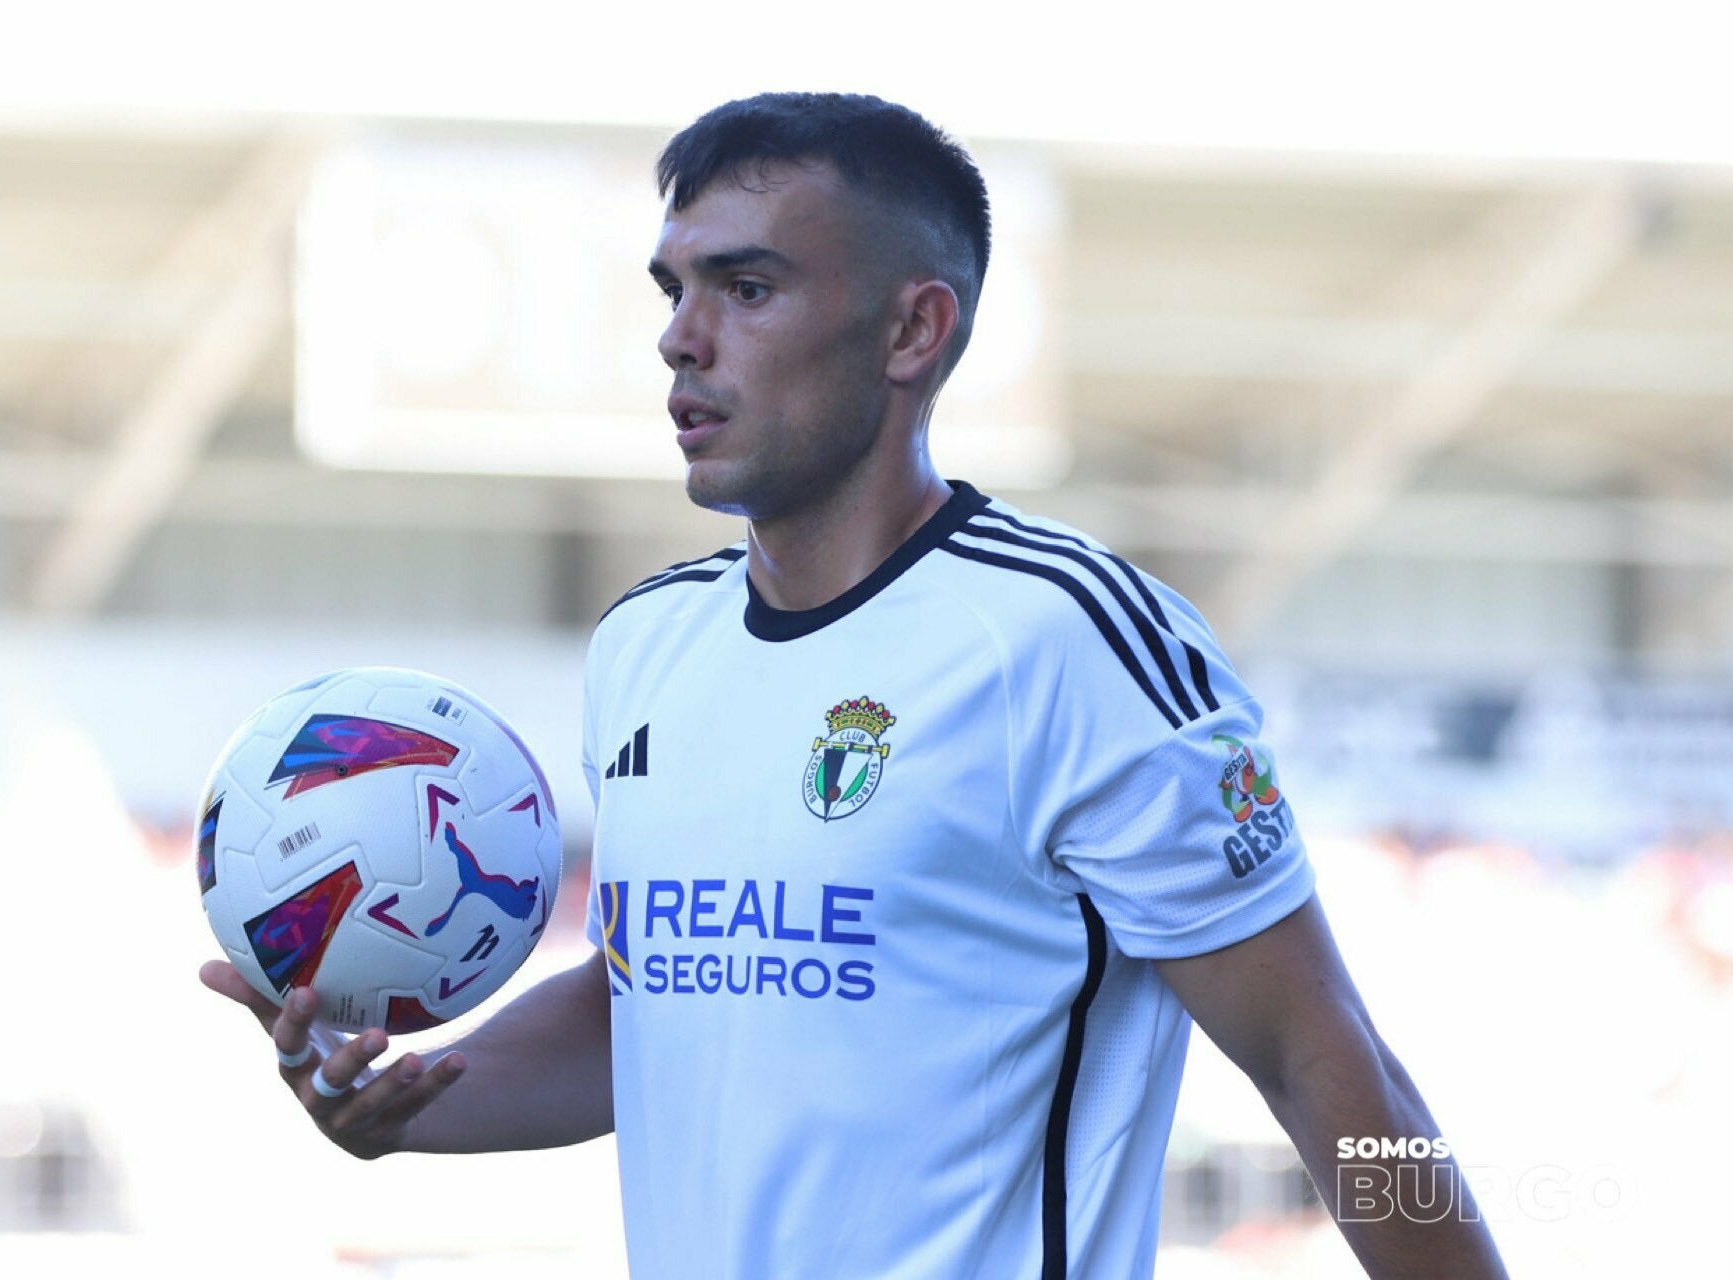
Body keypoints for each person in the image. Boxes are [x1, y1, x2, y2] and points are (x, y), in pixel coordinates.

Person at [204, 92, 1509, 1278]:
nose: (681, 339)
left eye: (747, 288)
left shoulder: (1064, 640)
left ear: (911, 327)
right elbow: (652, 1010)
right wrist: (404, 1099)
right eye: (673, 288)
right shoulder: (646, 647)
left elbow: (1325, 1063)